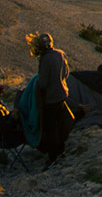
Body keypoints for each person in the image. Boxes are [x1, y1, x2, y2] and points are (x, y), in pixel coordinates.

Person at [28, 33, 85, 161]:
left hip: (51, 98)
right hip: (62, 94)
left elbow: (43, 82)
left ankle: (53, 157)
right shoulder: (60, 54)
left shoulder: (45, 59)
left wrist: (36, 85)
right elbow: (66, 73)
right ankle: (61, 150)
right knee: (61, 124)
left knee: (51, 128)